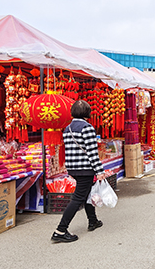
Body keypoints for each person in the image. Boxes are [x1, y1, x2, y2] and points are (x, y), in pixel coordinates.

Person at [52, 100, 109, 243]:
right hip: (85, 168)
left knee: (86, 194)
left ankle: (93, 221)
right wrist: (99, 171)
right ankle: (60, 230)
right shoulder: (87, 128)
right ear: (87, 113)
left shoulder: (67, 128)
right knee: (77, 199)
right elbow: (92, 152)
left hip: (73, 168)